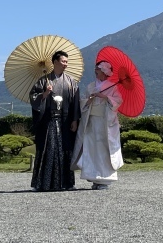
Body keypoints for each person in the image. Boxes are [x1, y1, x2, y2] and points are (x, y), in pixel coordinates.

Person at [29, 50, 81, 191]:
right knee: (48, 150)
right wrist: (45, 93)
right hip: (49, 122)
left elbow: (76, 103)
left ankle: (67, 183)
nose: (66, 64)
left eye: (67, 62)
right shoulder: (43, 81)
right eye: (63, 61)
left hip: (65, 121)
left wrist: (75, 120)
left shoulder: (71, 82)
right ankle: (43, 183)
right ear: (55, 62)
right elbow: (33, 98)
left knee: (65, 151)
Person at [72, 61, 124, 190]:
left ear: (105, 72)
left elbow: (118, 101)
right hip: (91, 121)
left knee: (104, 149)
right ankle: (94, 177)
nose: (95, 71)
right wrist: (89, 100)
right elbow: (83, 102)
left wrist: (105, 97)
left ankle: (105, 179)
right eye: (96, 69)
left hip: (104, 122)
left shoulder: (113, 86)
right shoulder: (90, 86)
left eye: (98, 69)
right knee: (91, 148)